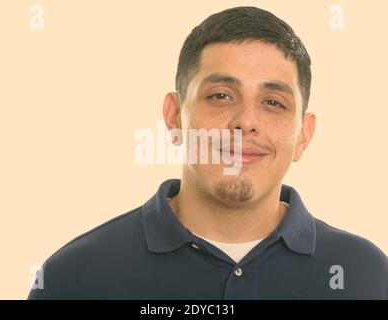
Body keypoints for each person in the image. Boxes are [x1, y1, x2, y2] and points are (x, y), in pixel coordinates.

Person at [28, 6, 387, 300]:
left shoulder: (367, 276)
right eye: (220, 96)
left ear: (304, 136)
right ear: (174, 116)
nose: (246, 121)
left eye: (273, 102)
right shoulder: (74, 278)